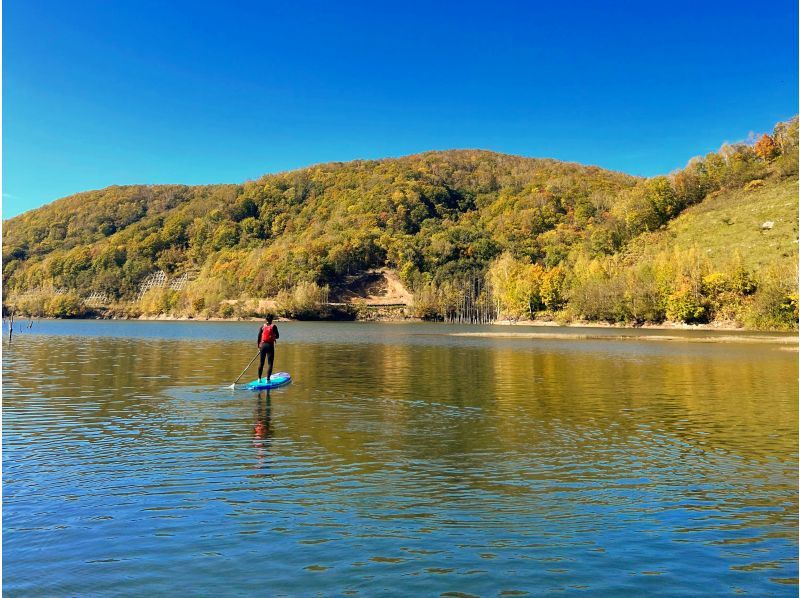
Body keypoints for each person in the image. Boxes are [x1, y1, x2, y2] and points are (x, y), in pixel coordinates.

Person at [257, 314, 279, 383]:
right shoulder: (274, 326)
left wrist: (259, 346)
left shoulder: (262, 326)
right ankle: (268, 380)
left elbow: (258, 337)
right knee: (270, 363)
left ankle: (259, 379)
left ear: (266, 319)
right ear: (272, 320)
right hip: (270, 346)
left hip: (263, 346)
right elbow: (278, 336)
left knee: (261, 363)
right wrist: (273, 337)